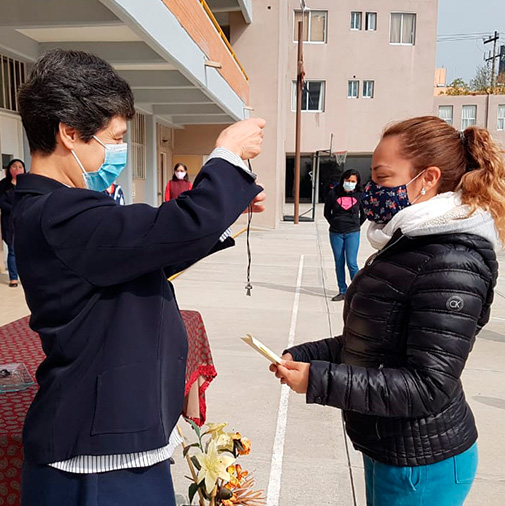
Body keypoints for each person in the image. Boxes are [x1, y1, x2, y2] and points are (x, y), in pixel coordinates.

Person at [13, 48, 266, 506]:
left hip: (113, 441)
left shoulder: (55, 210)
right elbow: (174, 228)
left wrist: (224, 218)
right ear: (70, 133)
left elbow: (146, 252)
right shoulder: (60, 211)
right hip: (95, 461)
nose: (118, 151)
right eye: (114, 138)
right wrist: (227, 156)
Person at [271, 116, 504, 506]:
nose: (370, 189)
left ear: (428, 179)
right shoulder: (409, 241)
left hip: (422, 465)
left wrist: (319, 380)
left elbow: (428, 385)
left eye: (381, 178)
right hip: (389, 448)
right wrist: (310, 355)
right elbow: (379, 338)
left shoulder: (451, 261)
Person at [324, 169, 366, 301]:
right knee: (339, 263)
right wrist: (335, 223)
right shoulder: (333, 193)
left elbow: (364, 214)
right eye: (348, 180)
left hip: (352, 233)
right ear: (343, 180)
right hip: (336, 233)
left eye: (353, 181)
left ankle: (358, 291)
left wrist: (356, 225)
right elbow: (327, 212)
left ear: (357, 182)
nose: (350, 183)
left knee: (352, 263)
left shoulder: (359, 195)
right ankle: (342, 290)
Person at [0, 158, 26, 287]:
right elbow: (1, 202)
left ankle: (26, 277)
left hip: (25, 220)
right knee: (12, 250)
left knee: (26, 250)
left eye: (20, 167)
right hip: (9, 222)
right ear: (9, 169)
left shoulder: (27, 184)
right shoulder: (3, 185)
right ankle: (13, 279)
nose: (17, 169)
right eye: (14, 166)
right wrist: (14, 209)